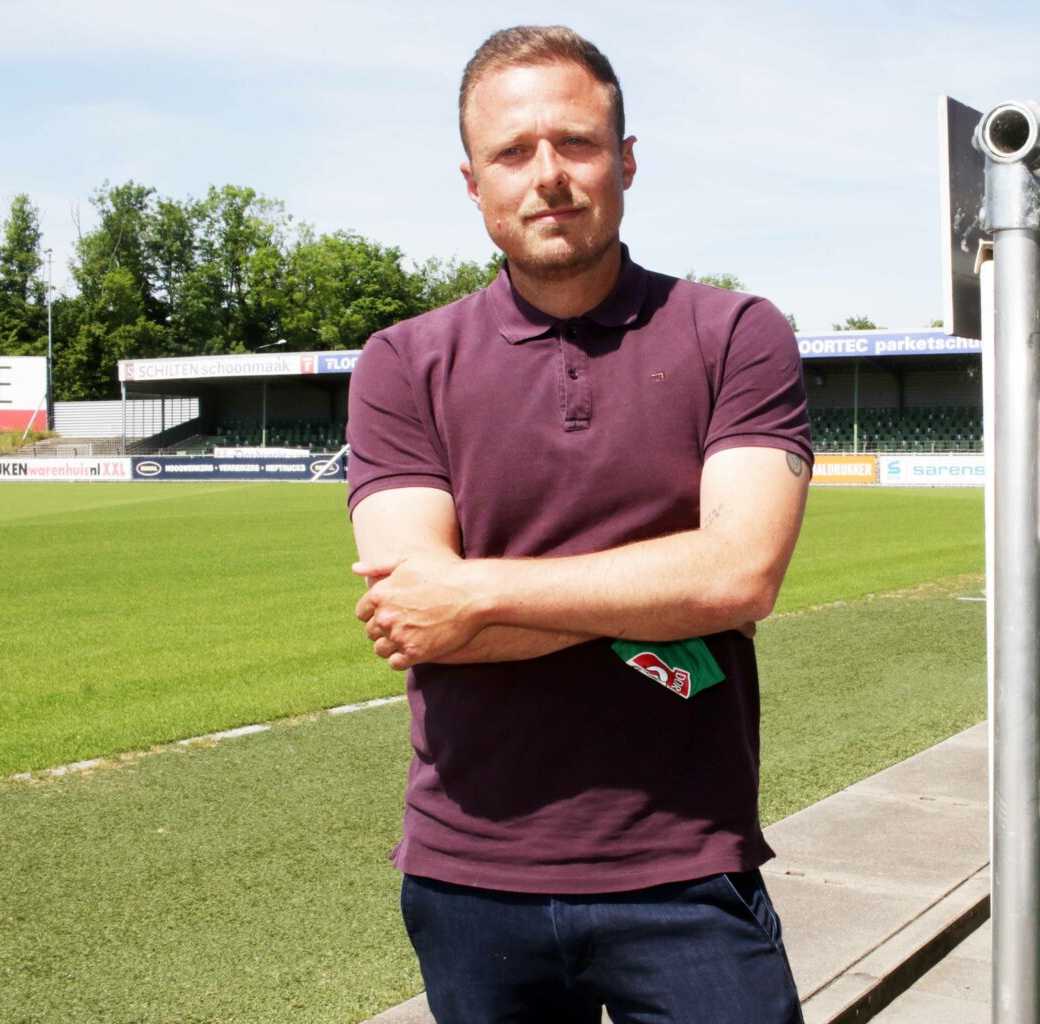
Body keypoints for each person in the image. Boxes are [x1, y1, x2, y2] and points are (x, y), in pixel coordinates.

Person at [346, 24, 812, 1024]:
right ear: (473, 182)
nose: (547, 174)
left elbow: (738, 578)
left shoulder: (735, 333)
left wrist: (478, 589)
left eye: (577, 143)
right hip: (469, 872)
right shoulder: (403, 361)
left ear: (627, 161)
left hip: (687, 864)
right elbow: (412, 614)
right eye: (513, 152)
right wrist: (657, 588)